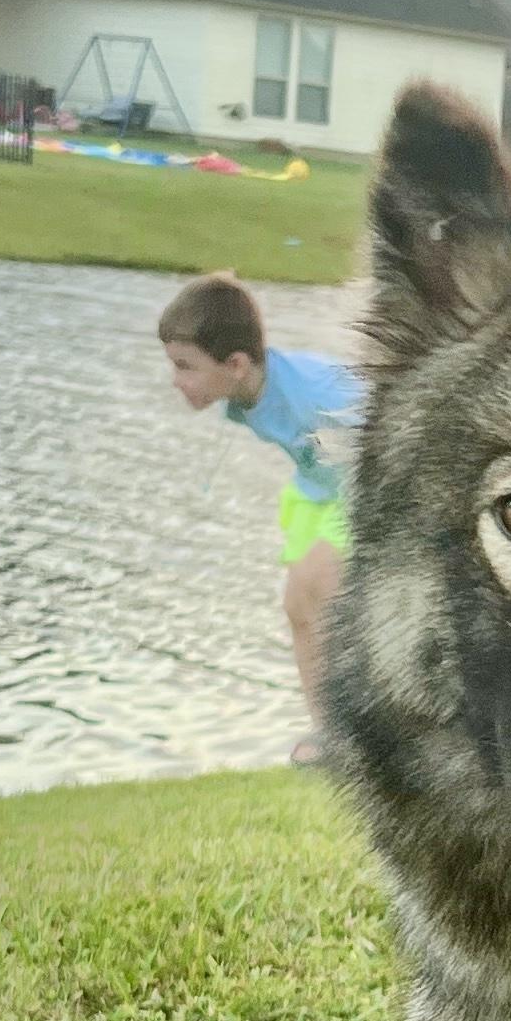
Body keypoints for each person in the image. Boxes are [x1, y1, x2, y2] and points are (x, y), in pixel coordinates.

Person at [159, 273, 363, 762]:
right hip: (318, 492)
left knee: (330, 596)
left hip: (363, 491)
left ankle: (366, 737)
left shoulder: (317, 393)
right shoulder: (244, 390)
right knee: (298, 609)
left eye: (186, 366)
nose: (176, 380)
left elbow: (391, 430)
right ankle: (332, 735)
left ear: (235, 364)